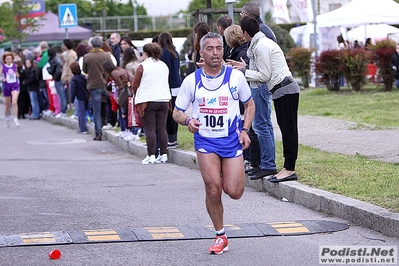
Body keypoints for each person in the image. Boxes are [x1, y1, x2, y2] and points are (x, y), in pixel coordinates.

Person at [173, 32, 255, 254]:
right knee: (212, 190)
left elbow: (249, 105)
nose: (215, 53)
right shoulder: (192, 81)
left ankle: (223, 174)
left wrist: (245, 130)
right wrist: (188, 120)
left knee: (235, 191)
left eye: (219, 48)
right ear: (201, 53)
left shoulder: (235, 78)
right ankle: (220, 236)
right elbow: (177, 112)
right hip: (206, 141)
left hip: (230, 141)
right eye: (210, 49)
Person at [233, 17, 300, 183]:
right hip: (282, 91)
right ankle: (286, 167)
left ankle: (290, 169)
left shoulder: (261, 46)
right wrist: (245, 68)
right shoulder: (260, 44)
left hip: (285, 90)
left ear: (246, 33)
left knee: (289, 131)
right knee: (286, 130)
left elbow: (264, 75)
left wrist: (244, 72)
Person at [132, 43, 171, 164]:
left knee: (150, 129)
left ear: (146, 53)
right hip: (164, 99)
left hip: (147, 100)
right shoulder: (164, 65)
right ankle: (163, 154)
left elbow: (135, 84)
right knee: (161, 128)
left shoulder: (142, 66)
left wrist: (135, 94)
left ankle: (151, 155)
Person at [83, 36, 113, 141]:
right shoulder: (106, 55)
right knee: (112, 104)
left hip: (93, 85)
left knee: (96, 111)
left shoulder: (87, 57)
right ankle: (111, 122)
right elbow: (111, 67)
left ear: (91, 45)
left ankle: (98, 133)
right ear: (101, 44)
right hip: (105, 84)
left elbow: (85, 70)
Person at [158, 31, 182, 149]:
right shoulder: (175, 52)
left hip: (169, 86)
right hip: (177, 85)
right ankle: (174, 138)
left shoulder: (164, 54)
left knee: (168, 113)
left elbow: (164, 72)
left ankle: (171, 139)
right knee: (174, 112)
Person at [1, 52, 20, 127]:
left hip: (15, 85)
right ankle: (7, 117)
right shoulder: (3, 67)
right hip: (7, 86)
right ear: (5, 60)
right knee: (7, 104)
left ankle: (15, 118)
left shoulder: (15, 66)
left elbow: (17, 74)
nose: (9, 60)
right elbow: (0, 76)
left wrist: (17, 75)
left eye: (10, 59)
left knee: (14, 102)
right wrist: (3, 79)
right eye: (7, 59)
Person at [70, 62, 89, 134]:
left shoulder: (74, 79)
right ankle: (83, 127)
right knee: (85, 112)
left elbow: (73, 90)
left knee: (80, 113)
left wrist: (72, 100)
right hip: (86, 95)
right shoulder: (83, 77)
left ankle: (83, 128)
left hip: (79, 97)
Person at [47, 48, 67, 117]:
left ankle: (63, 110)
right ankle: (64, 109)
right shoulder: (58, 57)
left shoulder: (53, 60)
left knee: (60, 95)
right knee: (63, 94)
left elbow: (51, 70)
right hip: (62, 77)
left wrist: (48, 69)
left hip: (57, 78)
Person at [61, 39, 78, 118]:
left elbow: (72, 66)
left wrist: (70, 77)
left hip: (72, 78)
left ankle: (76, 112)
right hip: (70, 77)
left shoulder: (71, 54)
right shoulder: (69, 54)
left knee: (74, 95)